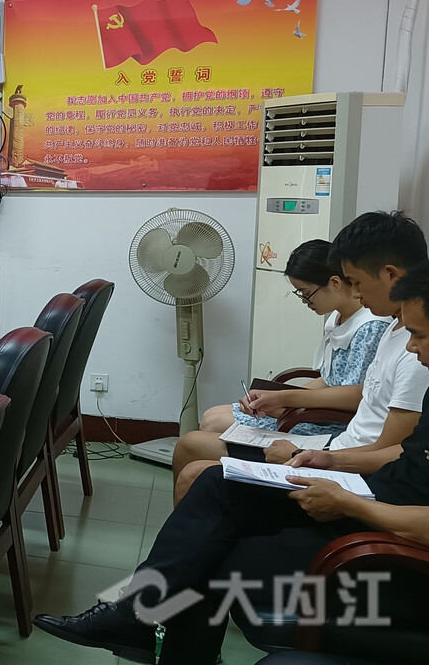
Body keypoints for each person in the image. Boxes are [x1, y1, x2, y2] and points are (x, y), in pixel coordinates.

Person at [33, 259, 429, 665]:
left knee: (209, 546)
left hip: (385, 542)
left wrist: (349, 503)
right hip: (367, 496)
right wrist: (330, 462)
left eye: (418, 335)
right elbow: (401, 453)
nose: (411, 347)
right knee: (215, 485)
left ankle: (138, 617)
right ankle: (136, 614)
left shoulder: (404, 358)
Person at [171, 213, 429, 502]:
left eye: (356, 282)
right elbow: (361, 391)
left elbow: (392, 455)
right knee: (191, 448)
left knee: (196, 473)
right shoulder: (395, 328)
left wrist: (305, 453)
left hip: (346, 468)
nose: (356, 294)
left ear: (391, 275)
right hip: (334, 453)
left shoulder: (411, 352)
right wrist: (283, 399)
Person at [197, 240, 388, 437]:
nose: (305, 301)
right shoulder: (340, 318)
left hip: (336, 424)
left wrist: (286, 399)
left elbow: (357, 395)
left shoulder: (370, 327)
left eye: (307, 293)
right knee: (212, 415)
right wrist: (276, 398)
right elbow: (330, 380)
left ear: (335, 283)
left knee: (213, 422)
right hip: (320, 412)